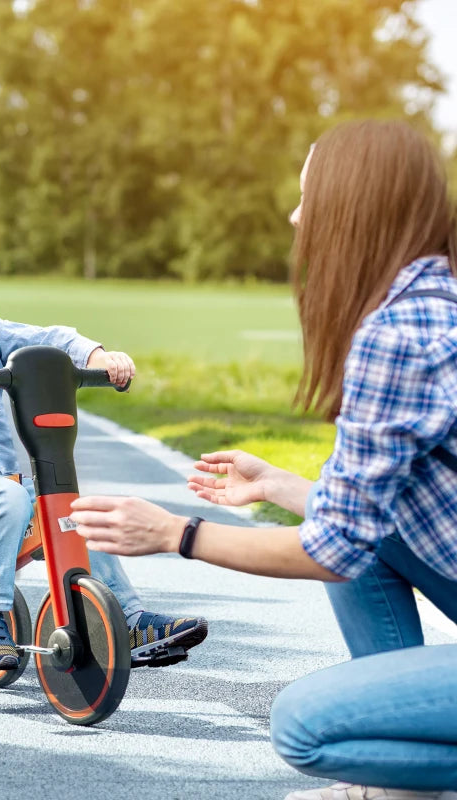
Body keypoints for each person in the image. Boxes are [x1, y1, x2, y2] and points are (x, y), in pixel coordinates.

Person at [69, 120, 457, 799]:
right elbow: (369, 517)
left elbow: (331, 550)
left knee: (306, 728)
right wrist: (280, 484)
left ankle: (399, 777)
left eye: (309, 197)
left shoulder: (397, 335)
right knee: (361, 536)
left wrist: (175, 535)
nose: (295, 216)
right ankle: (401, 788)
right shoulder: (433, 301)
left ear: (354, 208)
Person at [0, 210, 208, 671]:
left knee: (73, 509)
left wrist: (96, 355)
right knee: (7, 499)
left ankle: (127, 621)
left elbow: (46, 339)